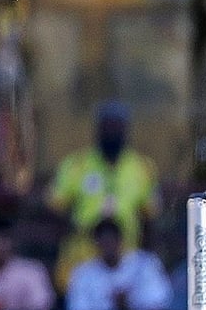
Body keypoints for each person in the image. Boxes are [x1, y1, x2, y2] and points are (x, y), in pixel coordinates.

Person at [46, 100, 159, 291]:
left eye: (117, 127)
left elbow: (149, 216)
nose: (112, 132)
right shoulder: (76, 164)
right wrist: (77, 232)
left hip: (126, 256)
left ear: (126, 130)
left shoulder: (142, 167)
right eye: (107, 127)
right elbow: (56, 209)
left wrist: (143, 257)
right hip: (84, 254)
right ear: (98, 130)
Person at [64, 218, 171, 310]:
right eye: (103, 241)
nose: (108, 245)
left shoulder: (146, 263)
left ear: (120, 240)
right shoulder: (83, 273)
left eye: (111, 240)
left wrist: (129, 304)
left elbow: (161, 301)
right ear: (96, 244)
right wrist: (111, 305)